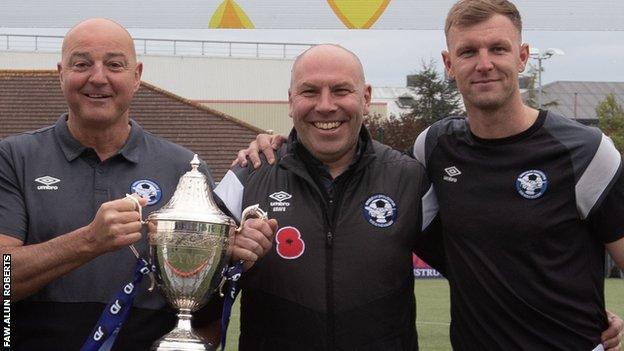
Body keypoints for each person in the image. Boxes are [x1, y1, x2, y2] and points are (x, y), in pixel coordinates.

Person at [237, 1, 624, 350]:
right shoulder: (433, 148)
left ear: (522, 57)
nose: (484, 63)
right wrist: (279, 145)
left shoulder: (587, 151)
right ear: (449, 62)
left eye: (499, 49)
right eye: (468, 51)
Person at [0, 18, 275, 350]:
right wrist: (89, 240)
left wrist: (235, 255)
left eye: (114, 65)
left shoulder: (185, 169)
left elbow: (206, 317)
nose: (98, 77)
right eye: (82, 64)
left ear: (137, 75)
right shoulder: (14, 157)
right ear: (61, 73)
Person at [214, 44, 441, 350]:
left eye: (340, 90)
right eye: (309, 92)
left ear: (366, 97)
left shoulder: (410, 180)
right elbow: (195, 300)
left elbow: (476, 270)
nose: (325, 105)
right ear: (291, 100)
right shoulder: (245, 180)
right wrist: (225, 258)